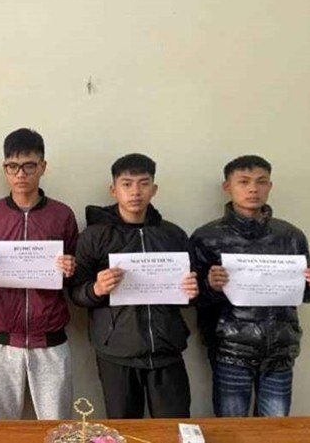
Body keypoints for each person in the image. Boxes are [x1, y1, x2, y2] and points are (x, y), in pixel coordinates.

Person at [70, 153, 198, 419]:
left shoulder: (173, 235)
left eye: (143, 183)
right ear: (113, 190)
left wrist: (194, 291)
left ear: (154, 189)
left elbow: (194, 292)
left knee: (174, 428)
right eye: (127, 184)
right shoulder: (94, 236)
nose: (135, 192)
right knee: (123, 430)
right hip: (116, 352)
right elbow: (76, 291)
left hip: (167, 350)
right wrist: (96, 289)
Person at [191, 155, 310, 417]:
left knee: (275, 429)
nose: (253, 189)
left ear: (270, 186)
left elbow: (304, 292)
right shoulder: (207, 237)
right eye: (244, 182)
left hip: (280, 350)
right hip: (230, 349)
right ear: (228, 187)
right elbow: (191, 297)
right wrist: (210, 285)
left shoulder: (291, 236)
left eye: (261, 181)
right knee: (231, 429)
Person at [0, 128, 78, 420]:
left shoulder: (62, 215)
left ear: (43, 166)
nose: (21, 174)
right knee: (3, 426)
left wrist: (71, 268)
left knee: (57, 426)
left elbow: (77, 279)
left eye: (29, 165)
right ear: (4, 168)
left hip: (50, 337)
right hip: (1, 339)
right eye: (13, 166)